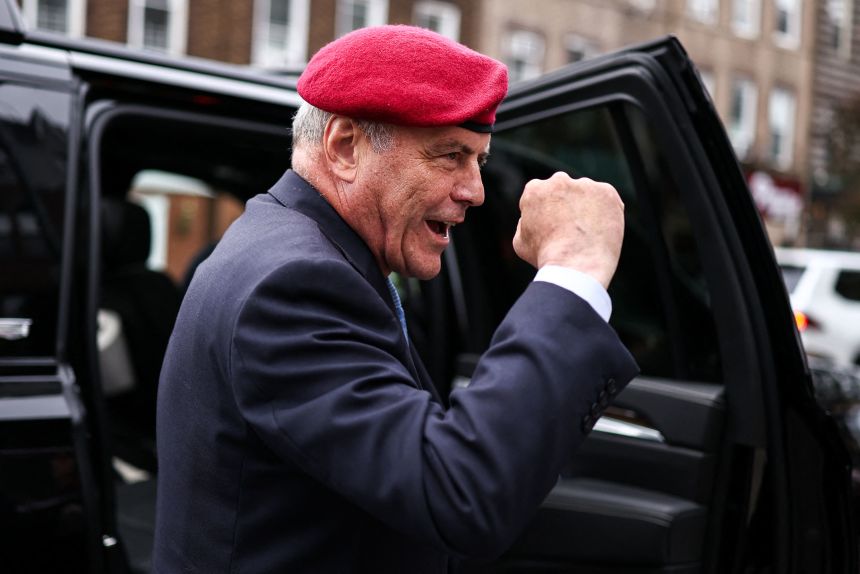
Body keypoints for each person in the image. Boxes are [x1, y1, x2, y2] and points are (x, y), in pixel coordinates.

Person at [153, 25, 638, 574]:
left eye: (478, 159)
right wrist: (573, 270)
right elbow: (462, 492)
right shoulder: (293, 286)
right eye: (451, 154)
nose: (475, 191)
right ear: (344, 148)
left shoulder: (286, 246)